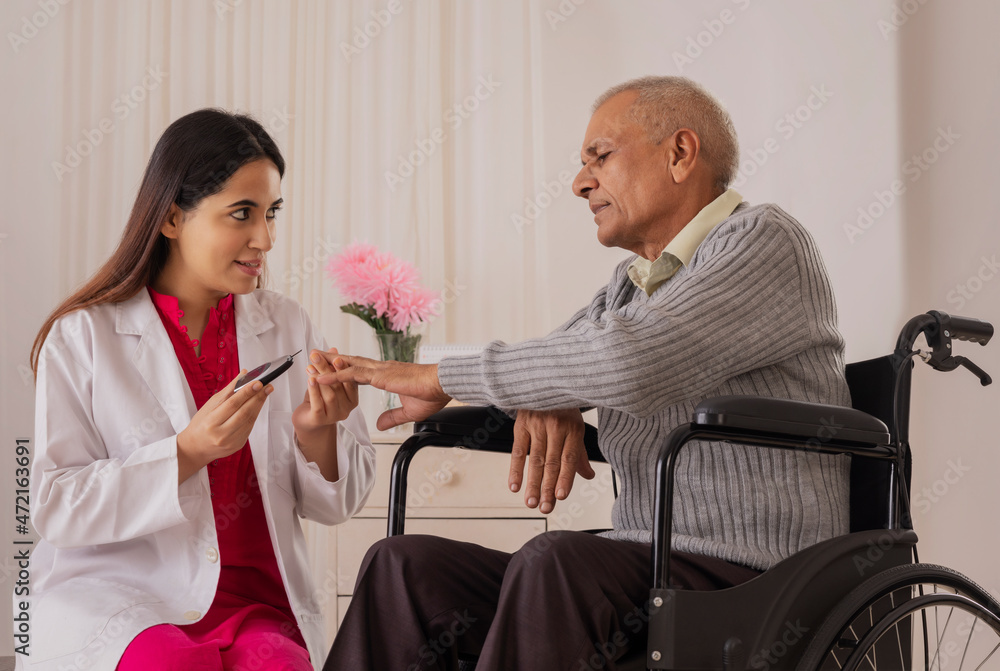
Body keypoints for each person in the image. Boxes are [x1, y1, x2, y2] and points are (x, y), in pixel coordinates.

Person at [319, 76, 851, 671]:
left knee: (553, 561)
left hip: (759, 574)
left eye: (600, 157)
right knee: (402, 568)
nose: (579, 183)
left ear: (679, 154)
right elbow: (566, 358)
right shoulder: (631, 284)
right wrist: (553, 396)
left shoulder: (763, 241)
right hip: (647, 566)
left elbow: (630, 361)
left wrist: (441, 378)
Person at [23, 109, 377, 671]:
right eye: (242, 214)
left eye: (271, 213)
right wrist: (186, 452)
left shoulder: (288, 326)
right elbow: (55, 505)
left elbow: (336, 506)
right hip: (125, 600)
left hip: (255, 606)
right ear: (170, 218)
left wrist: (318, 433)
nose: (265, 238)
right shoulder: (84, 335)